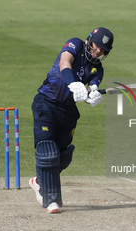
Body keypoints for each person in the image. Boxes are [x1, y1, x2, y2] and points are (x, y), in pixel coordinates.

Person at [29, 27, 114, 213]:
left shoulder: (97, 69)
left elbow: (92, 87)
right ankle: (50, 198)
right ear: (90, 40)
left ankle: (39, 182)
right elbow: (64, 63)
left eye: (103, 50)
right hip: (47, 103)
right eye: (97, 46)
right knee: (47, 151)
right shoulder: (75, 44)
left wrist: (92, 96)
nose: (99, 51)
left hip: (67, 111)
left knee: (63, 157)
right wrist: (73, 83)